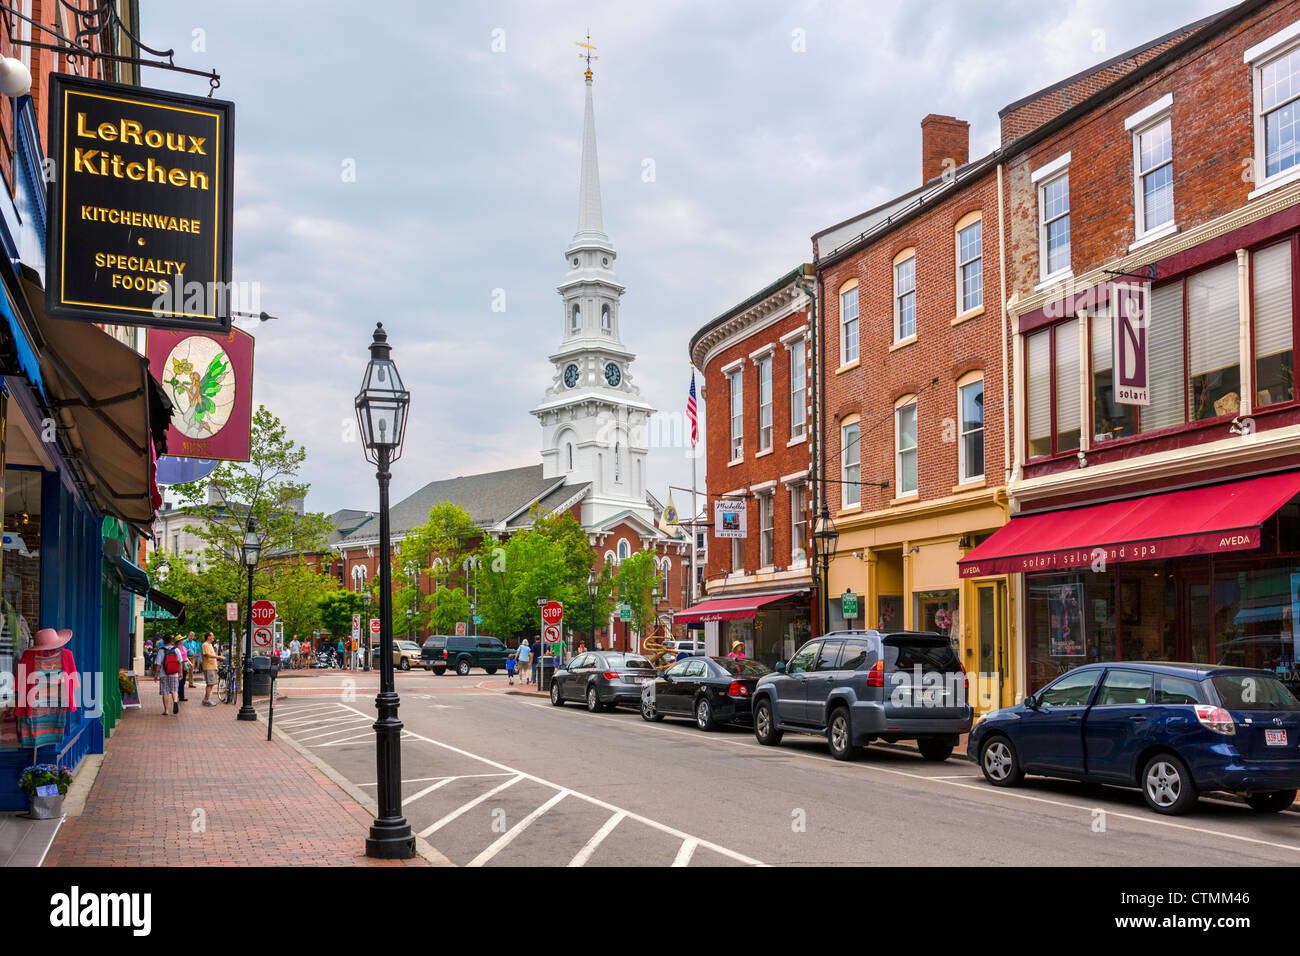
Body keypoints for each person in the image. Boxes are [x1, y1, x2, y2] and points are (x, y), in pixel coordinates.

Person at [156, 636, 182, 715]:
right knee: (174, 690)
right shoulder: (176, 649)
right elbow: (180, 662)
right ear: (171, 641)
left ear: (164, 641)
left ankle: (166, 710)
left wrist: (156, 674)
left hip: (164, 674)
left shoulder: (161, 650)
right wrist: (180, 673)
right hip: (174, 673)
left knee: (165, 692)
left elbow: (158, 664)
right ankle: (175, 701)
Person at [200, 632, 224, 706]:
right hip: (208, 667)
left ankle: (205, 699)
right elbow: (208, 655)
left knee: (211, 684)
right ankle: (207, 700)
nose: (213, 637)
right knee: (210, 684)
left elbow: (212, 656)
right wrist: (219, 657)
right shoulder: (205, 645)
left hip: (212, 667)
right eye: (212, 635)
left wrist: (216, 666)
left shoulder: (210, 645)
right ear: (208, 637)